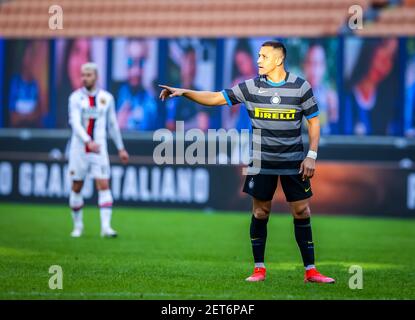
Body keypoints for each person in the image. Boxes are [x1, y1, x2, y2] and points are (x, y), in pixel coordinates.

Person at [159, 40, 335, 284]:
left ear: (279, 59)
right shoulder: (250, 87)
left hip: (294, 162)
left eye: (263, 56)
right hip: (261, 162)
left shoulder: (300, 87)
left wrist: (312, 155)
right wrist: (183, 92)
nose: (259, 60)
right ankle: (259, 269)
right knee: (261, 212)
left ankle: (311, 271)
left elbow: (314, 122)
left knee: (302, 210)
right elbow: (216, 98)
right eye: (258, 56)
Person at [68, 62, 129, 238]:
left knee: (104, 184)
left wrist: (121, 148)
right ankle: (78, 227)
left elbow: (113, 125)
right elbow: (75, 123)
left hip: (99, 148)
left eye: (88, 75)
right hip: (79, 149)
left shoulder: (107, 98)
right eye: (83, 75)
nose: (84, 78)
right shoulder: (75, 98)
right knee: (77, 186)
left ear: (96, 77)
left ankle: (106, 228)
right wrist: (88, 141)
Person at [344, 38, 399, 135]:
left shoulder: (390, 104)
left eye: (392, 57)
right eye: (384, 46)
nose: (385, 62)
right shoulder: (344, 96)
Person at [116, 39, 158, 131]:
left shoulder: (151, 103)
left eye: (141, 63)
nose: (136, 71)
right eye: (130, 62)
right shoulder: (114, 95)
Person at [166, 46, 210, 131]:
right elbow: (170, 126)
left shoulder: (201, 94)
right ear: (182, 65)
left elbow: (204, 125)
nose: (192, 68)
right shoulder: (173, 94)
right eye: (189, 62)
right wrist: (194, 125)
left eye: (194, 63)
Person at [302, 44, 338, 135]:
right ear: (304, 66)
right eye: (310, 63)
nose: (314, 70)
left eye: (318, 64)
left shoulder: (331, 98)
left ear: (324, 67)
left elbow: (337, 133)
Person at [222, 40, 256, 131]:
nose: (241, 68)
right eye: (238, 64)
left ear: (250, 58)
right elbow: (228, 120)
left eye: (242, 62)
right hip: (241, 133)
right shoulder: (237, 84)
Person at [8, 41, 41, 128]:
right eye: (29, 56)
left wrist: (29, 117)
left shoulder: (35, 84)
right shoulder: (15, 83)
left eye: (33, 56)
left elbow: (38, 114)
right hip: (15, 131)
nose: (31, 60)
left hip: (33, 129)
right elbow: (12, 116)